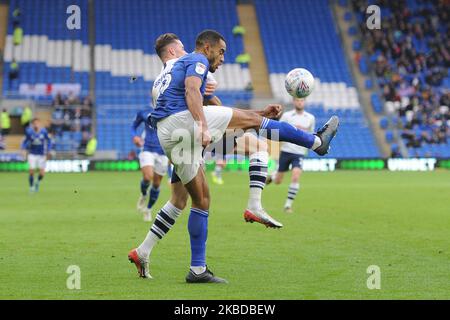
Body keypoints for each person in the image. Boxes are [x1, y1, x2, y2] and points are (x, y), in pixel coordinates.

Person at [129, 30, 339, 283]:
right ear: (180, 50)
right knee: (256, 140)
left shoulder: (162, 79)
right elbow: (193, 92)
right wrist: (205, 125)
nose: (222, 57)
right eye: (221, 52)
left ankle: (161, 257)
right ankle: (316, 142)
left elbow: (207, 103)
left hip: (171, 136)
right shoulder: (194, 60)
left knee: (192, 200)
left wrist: (256, 112)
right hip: (188, 126)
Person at [266, 97, 315, 213]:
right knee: (278, 181)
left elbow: (311, 135)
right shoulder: (287, 116)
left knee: (296, 176)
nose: (300, 102)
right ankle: (273, 176)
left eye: (302, 100)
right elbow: (279, 129)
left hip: (299, 153)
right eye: (298, 100)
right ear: (294, 102)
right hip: (286, 151)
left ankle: (288, 205)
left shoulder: (310, 118)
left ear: (305, 102)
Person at [132, 108, 169, 222]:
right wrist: (135, 136)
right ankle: (143, 194)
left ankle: (148, 209)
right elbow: (133, 126)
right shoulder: (144, 112)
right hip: (147, 148)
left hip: (163, 152)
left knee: (157, 184)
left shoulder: (171, 111)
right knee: (148, 177)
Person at [21, 118, 52, 192]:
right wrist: (23, 149)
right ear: (32, 125)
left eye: (37, 123)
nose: (36, 125)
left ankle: (37, 182)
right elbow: (25, 142)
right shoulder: (29, 132)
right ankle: (31, 187)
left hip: (42, 154)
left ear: (39, 124)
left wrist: (49, 150)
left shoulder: (44, 131)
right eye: (34, 124)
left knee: (42, 172)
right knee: (31, 170)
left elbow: (49, 140)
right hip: (32, 154)